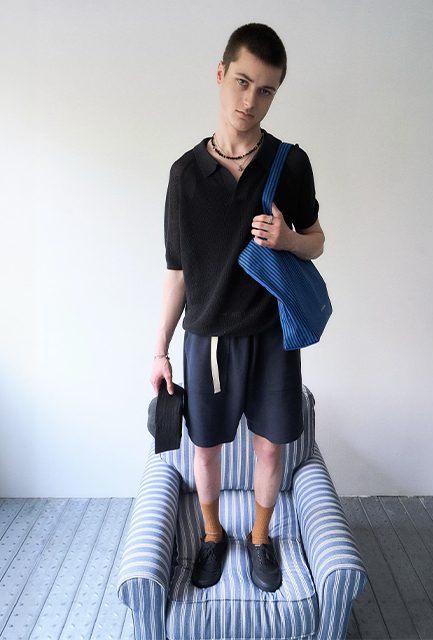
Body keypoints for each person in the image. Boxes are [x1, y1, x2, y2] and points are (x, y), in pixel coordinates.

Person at [150, 23, 325, 593]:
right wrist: (159, 350)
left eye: (267, 90)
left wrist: (288, 239)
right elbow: (177, 271)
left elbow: (317, 240)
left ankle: (260, 537)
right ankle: (211, 535)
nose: (251, 100)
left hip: (273, 335)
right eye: (243, 82)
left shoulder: (289, 164)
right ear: (221, 73)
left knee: (271, 449)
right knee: (205, 449)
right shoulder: (184, 174)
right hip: (207, 339)